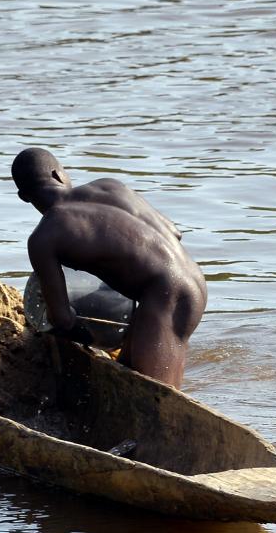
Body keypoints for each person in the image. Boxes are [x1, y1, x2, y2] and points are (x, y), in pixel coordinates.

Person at [12, 147, 207, 388]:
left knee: (156, 395)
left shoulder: (44, 238)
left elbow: (61, 319)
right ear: (59, 174)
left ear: (23, 197)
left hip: (164, 295)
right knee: (131, 374)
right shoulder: (110, 185)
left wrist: (82, 327)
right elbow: (175, 232)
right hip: (190, 278)